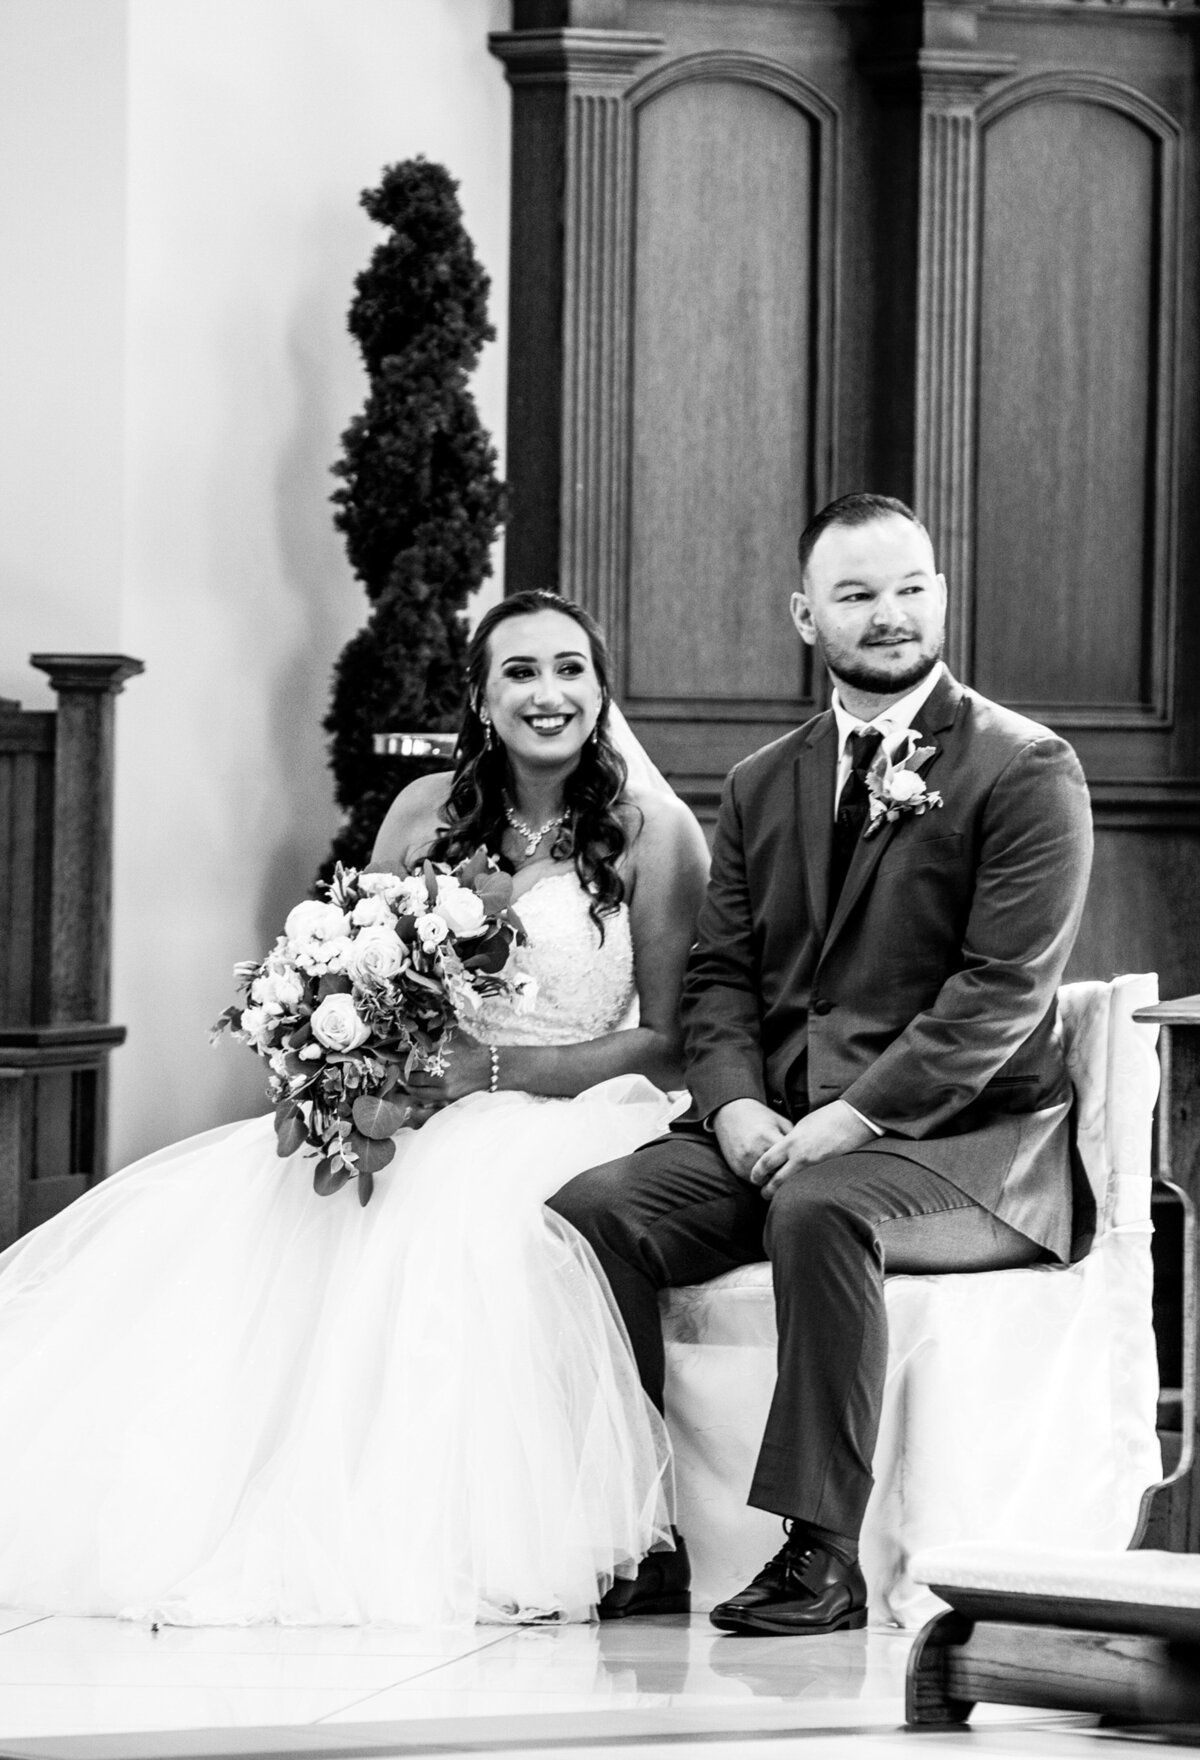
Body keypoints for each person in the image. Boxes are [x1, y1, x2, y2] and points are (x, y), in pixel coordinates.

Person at [0, 590, 710, 1627]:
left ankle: (505, 1528)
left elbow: (668, 1037)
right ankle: (249, 1493)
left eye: (570, 668)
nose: (546, 692)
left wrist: (493, 1073)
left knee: (460, 1223)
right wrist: (353, 1061)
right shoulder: (424, 810)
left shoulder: (657, 832)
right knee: (279, 1202)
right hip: (417, 1104)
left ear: (601, 689)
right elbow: (361, 972)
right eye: (519, 671)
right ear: (480, 693)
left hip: (573, 1100)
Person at [551, 493, 1095, 1637]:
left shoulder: (1025, 767)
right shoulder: (761, 782)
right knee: (590, 1211)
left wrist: (849, 1119)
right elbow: (718, 978)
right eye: (856, 593)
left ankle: (822, 1553)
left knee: (818, 1207)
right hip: (781, 1130)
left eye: (909, 586)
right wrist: (737, 1104)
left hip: (974, 1151)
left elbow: (1000, 995)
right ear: (808, 615)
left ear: (941, 592)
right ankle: (643, 1531)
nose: (890, 613)